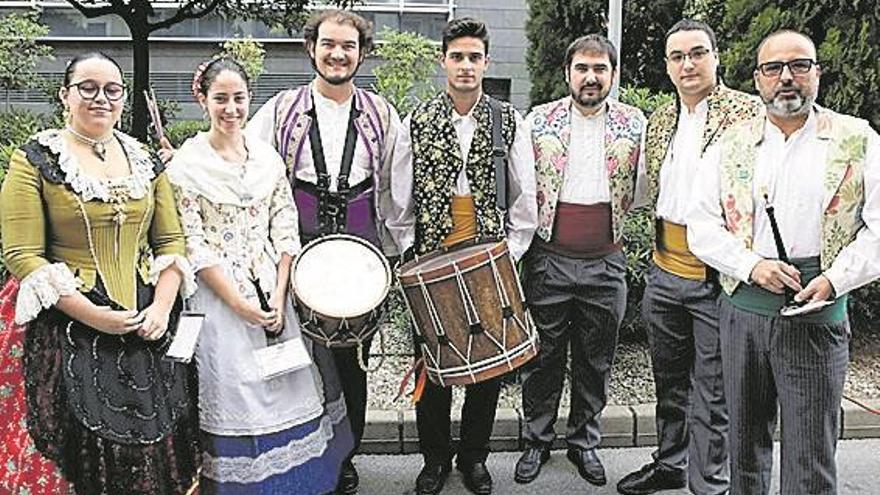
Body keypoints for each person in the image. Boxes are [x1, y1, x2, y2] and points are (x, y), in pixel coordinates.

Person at [687, 29, 880, 494]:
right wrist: (751, 266)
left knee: (810, 454)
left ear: (816, 72)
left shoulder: (858, 139)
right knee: (745, 445)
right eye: (773, 68)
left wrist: (835, 280)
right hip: (743, 312)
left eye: (799, 65)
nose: (786, 78)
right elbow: (701, 225)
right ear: (758, 79)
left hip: (817, 311)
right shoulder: (730, 143)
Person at [0, 52, 200, 495]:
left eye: (112, 90)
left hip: (145, 317)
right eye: (87, 88)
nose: (100, 99)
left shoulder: (145, 159)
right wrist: (94, 316)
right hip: (65, 317)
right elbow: (22, 254)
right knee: (75, 439)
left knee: (152, 437)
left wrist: (163, 307)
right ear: (64, 95)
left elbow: (171, 243)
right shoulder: (35, 159)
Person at [168, 56, 353, 494]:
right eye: (221, 99)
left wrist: (278, 293)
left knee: (289, 388)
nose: (231, 109)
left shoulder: (266, 158)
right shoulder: (186, 166)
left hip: (272, 289)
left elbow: (285, 227)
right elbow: (192, 242)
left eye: (239, 98)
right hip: (219, 299)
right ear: (202, 99)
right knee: (236, 393)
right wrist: (239, 304)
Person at [246, 11, 401, 493]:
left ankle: (344, 454)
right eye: (329, 44)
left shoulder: (381, 113)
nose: (338, 54)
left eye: (349, 46)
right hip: (294, 249)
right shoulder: (280, 109)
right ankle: (301, 450)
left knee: (352, 364)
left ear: (362, 52)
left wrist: (391, 258)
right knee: (293, 359)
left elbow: (396, 190)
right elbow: (248, 171)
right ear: (311, 48)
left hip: (359, 254)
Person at [387, 17, 537, 495]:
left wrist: (509, 254)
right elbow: (399, 199)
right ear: (443, 61)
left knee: (486, 369)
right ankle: (434, 459)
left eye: (475, 57)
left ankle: (474, 458)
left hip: (488, 261)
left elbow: (523, 197)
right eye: (458, 57)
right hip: (432, 261)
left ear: (486, 61)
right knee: (433, 368)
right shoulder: (418, 119)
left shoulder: (506, 118)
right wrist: (410, 254)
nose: (466, 65)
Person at [617, 19, 762, 495]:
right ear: (667, 65)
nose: (687, 64)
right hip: (663, 270)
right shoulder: (660, 118)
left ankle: (709, 482)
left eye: (697, 53)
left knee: (713, 392)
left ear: (715, 57)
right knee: (669, 381)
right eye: (677, 56)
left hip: (716, 276)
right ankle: (670, 464)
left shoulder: (748, 113)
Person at [515, 34, 646, 488]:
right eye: (582, 68)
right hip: (549, 259)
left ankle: (584, 442)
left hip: (606, 263)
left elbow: (645, 190)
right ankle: (536, 440)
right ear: (568, 72)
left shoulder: (635, 125)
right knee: (543, 357)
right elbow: (521, 188)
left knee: (596, 359)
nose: (591, 77)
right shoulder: (539, 122)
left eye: (600, 69)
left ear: (612, 73)